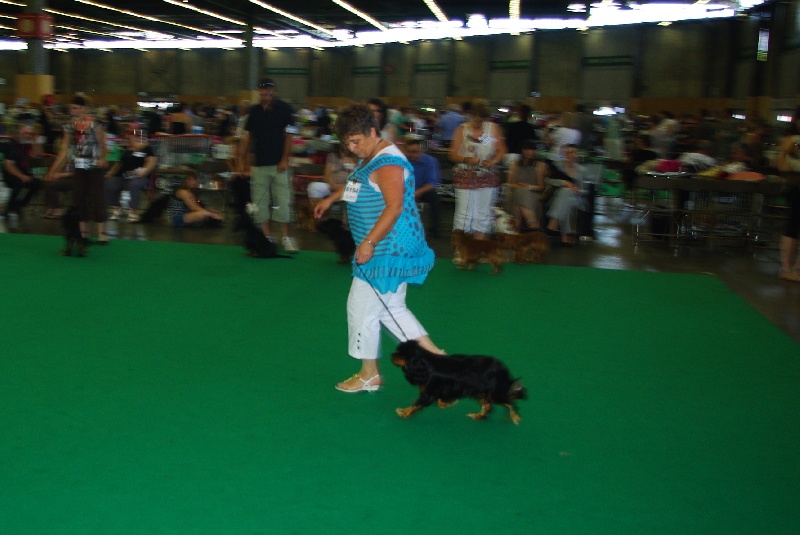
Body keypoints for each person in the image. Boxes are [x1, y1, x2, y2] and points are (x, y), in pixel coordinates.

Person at [312, 103, 445, 393]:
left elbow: (395, 206)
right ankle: (439, 363)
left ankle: (370, 373)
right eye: (347, 143)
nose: (352, 148)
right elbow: (355, 186)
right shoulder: (369, 155)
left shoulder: (388, 163)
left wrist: (370, 242)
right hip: (382, 246)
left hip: (389, 248)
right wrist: (331, 199)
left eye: (356, 141)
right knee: (389, 309)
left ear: (372, 131)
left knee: (362, 308)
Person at [237, 78, 299, 253]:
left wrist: (285, 158)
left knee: (283, 202)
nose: (267, 93)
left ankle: (287, 237)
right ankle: (267, 237)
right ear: (259, 91)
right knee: (259, 203)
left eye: (270, 89)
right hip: (258, 165)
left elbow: (290, 136)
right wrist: (240, 159)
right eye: (263, 90)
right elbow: (247, 137)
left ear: (275, 90)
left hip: (280, 165)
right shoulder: (254, 112)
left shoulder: (285, 110)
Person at [46, 95, 109, 244]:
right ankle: (83, 233)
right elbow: (64, 149)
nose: (72, 110)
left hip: (95, 166)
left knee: (96, 199)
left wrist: (103, 159)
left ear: (84, 108)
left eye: (75, 108)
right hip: (79, 166)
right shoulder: (69, 126)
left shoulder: (95, 124)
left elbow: (103, 145)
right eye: (71, 108)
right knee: (78, 199)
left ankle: (102, 235)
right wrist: (52, 170)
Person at [448, 100, 507, 253]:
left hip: (487, 177)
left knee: (484, 213)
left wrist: (493, 161)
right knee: (464, 213)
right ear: (469, 115)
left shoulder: (493, 129)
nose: (477, 121)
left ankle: (479, 249)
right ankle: (460, 251)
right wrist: (466, 159)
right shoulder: (461, 130)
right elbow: (453, 154)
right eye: (474, 117)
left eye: (480, 118)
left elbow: (501, 150)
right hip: (465, 176)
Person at [104, 127, 158, 223]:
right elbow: (118, 164)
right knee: (109, 184)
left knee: (132, 184)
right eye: (127, 138)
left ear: (136, 137)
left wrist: (144, 170)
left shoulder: (147, 148)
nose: (128, 139)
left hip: (140, 177)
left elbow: (151, 161)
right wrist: (109, 173)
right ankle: (117, 209)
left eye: (130, 137)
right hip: (123, 176)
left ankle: (133, 213)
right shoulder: (126, 150)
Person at [545, 144, 587, 245]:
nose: (569, 155)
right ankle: (565, 237)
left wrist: (576, 190)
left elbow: (586, 190)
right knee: (566, 195)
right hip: (559, 199)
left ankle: (553, 222)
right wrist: (564, 183)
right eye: (567, 153)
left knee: (566, 193)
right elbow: (548, 180)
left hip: (577, 199)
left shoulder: (582, 170)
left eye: (572, 152)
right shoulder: (558, 166)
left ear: (577, 155)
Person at [2, 124, 43, 228]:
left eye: (29, 134)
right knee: (18, 183)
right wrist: (21, 176)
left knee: (37, 183)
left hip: (23, 172)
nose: (27, 136)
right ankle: (10, 209)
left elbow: (37, 154)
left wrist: (34, 141)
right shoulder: (11, 146)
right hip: (11, 173)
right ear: (18, 134)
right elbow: (8, 165)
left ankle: (19, 205)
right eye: (25, 133)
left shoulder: (26, 145)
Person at [777, 108, 800, 282]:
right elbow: (782, 166)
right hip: (795, 187)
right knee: (792, 226)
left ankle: (797, 268)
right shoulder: (790, 140)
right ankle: (786, 267)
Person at [506, 139, 548, 232]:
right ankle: (533, 225)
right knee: (520, 193)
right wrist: (521, 187)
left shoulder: (540, 165)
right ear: (522, 151)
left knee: (522, 194)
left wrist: (528, 187)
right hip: (516, 193)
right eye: (527, 149)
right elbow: (509, 184)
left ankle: (517, 227)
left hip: (534, 195)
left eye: (532, 150)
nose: (530, 152)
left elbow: (541, 186)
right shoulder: (514, 165)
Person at [404, 138, 442, 238]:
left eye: (414, 151)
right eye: (409, 152)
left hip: (423, 189)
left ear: (421, 151)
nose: (411, 154)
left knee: (435, 199)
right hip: (406, 189)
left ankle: (434, 230)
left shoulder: (430, 161)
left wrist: (418, 192)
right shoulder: (403, 160)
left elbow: (432, 182)